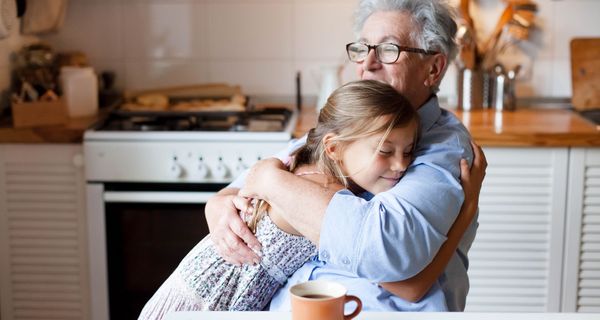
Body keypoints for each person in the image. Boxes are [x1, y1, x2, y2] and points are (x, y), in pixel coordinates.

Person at [206, 0, 482, 312]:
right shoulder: (353, 125)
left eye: (389, 49)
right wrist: (218, 205)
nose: (368, 63)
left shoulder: (444, 148)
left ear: (433, 69)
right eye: (362, 49)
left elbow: (386, 250)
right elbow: (240, 191)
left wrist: (270, 180)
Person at [138, 80, 483, 318]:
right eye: (385, 151)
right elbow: (410, 287)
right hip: (202, 304)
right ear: (334, 147)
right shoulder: (325, 195)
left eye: (409, 151)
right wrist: (466, 212)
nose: (401, 165)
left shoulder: (313, 164)